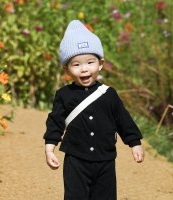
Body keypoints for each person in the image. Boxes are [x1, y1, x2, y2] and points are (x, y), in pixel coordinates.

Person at [43, 20, 145, 200]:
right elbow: (55, 122)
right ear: (66, 69)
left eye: (90, 62)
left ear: (100, 64)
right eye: (76, 64)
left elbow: (123, 120)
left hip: (105, 158)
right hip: (75, 159)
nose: (84, 69)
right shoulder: (64, 95)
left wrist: (134, 143)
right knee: (75, 196)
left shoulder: (109, 94)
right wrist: (49, 149)